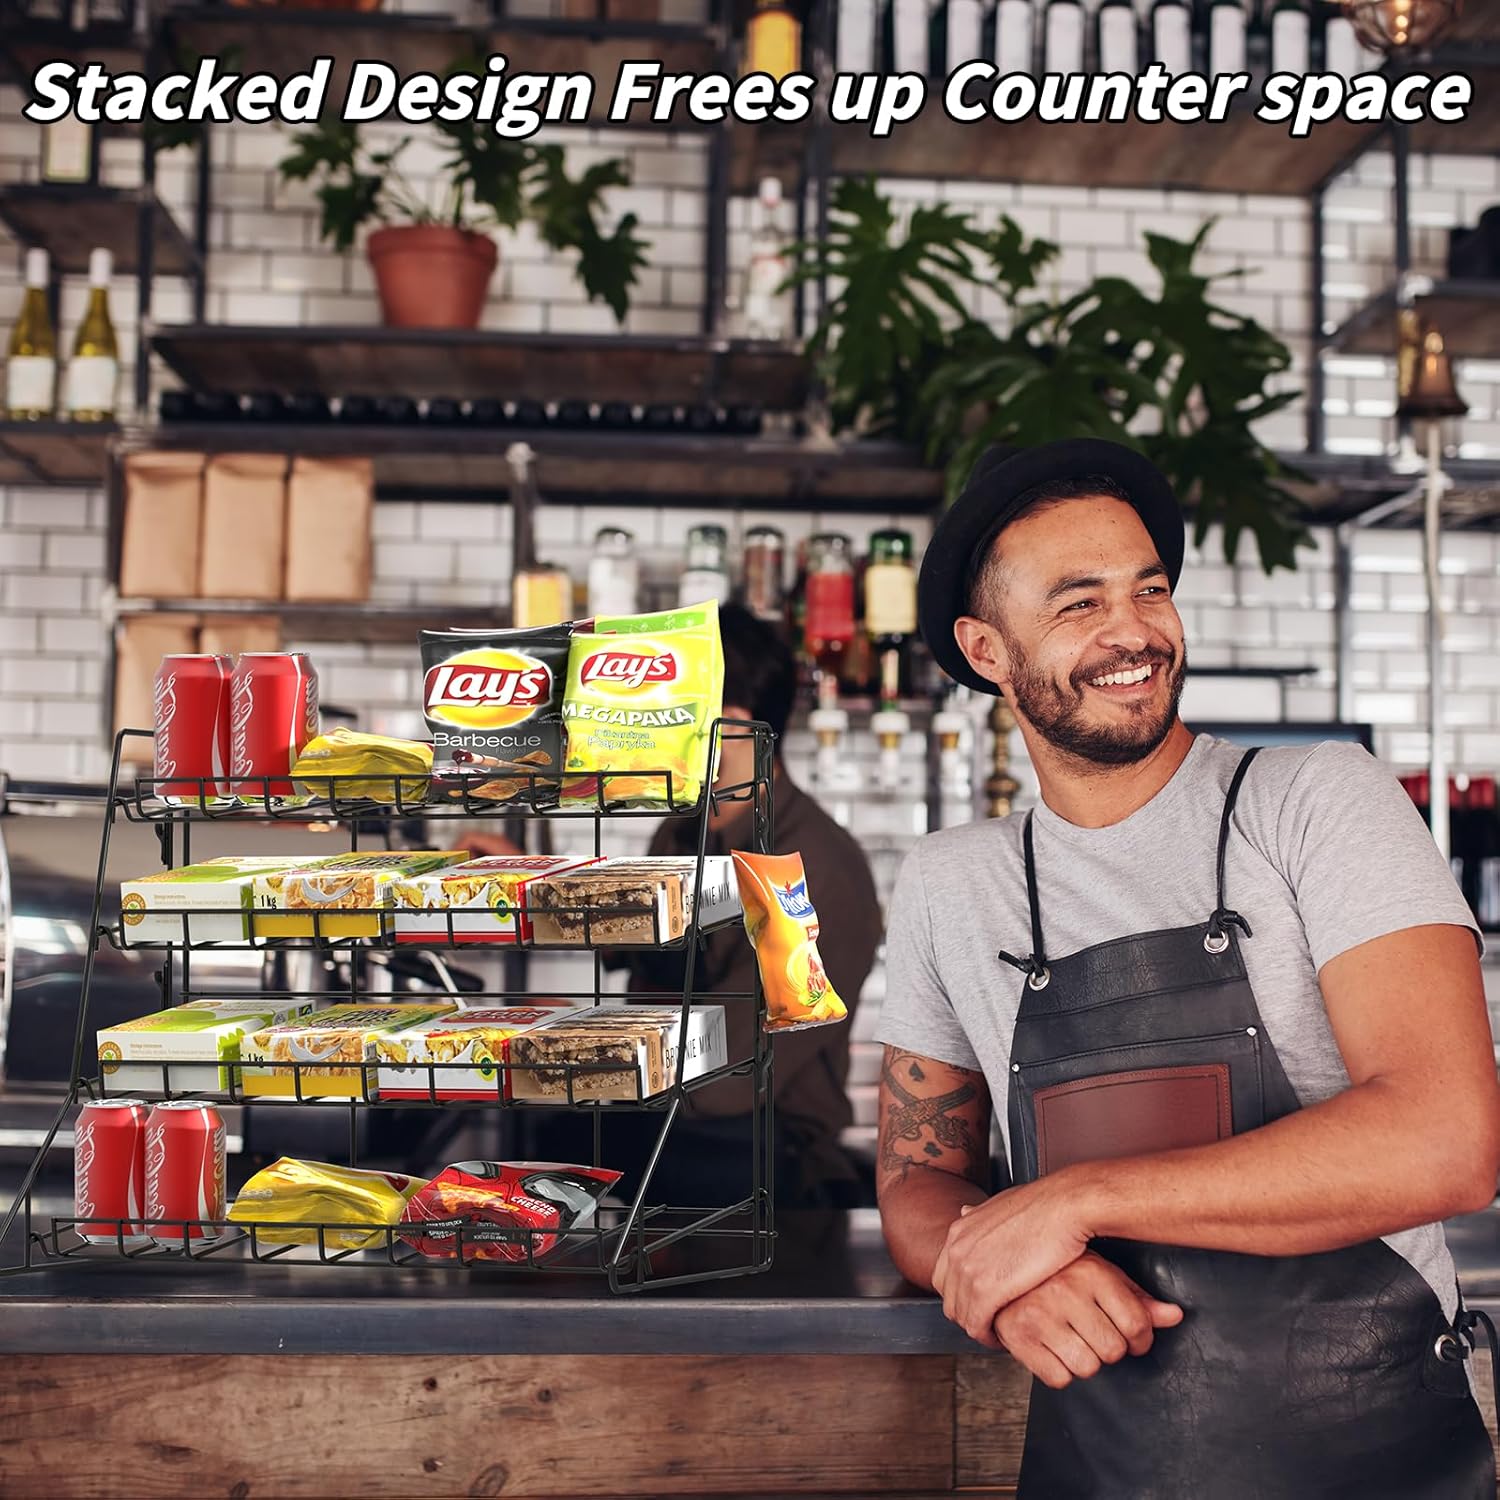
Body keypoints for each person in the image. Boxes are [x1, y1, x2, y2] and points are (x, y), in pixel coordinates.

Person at [875, 438, 1500, 1498]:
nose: (1133, 631)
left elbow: (1448, 1141)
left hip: (1373, 1458)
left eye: (1150, 588)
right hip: (1099, 1466)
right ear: (987, 650)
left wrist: (1070, 1204)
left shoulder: (1314, 801)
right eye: (1079, 602)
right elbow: (917, 1178)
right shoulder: (952, 882)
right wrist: (996, 1273)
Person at [475, 605, 882, 1209]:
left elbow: (728, 1069)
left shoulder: (810, 868)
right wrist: (529, 888)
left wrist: (583, 1045)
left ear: (731, 723)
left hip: (757, 1161)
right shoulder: (684, 829)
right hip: (666, 1127)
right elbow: (636, 937)